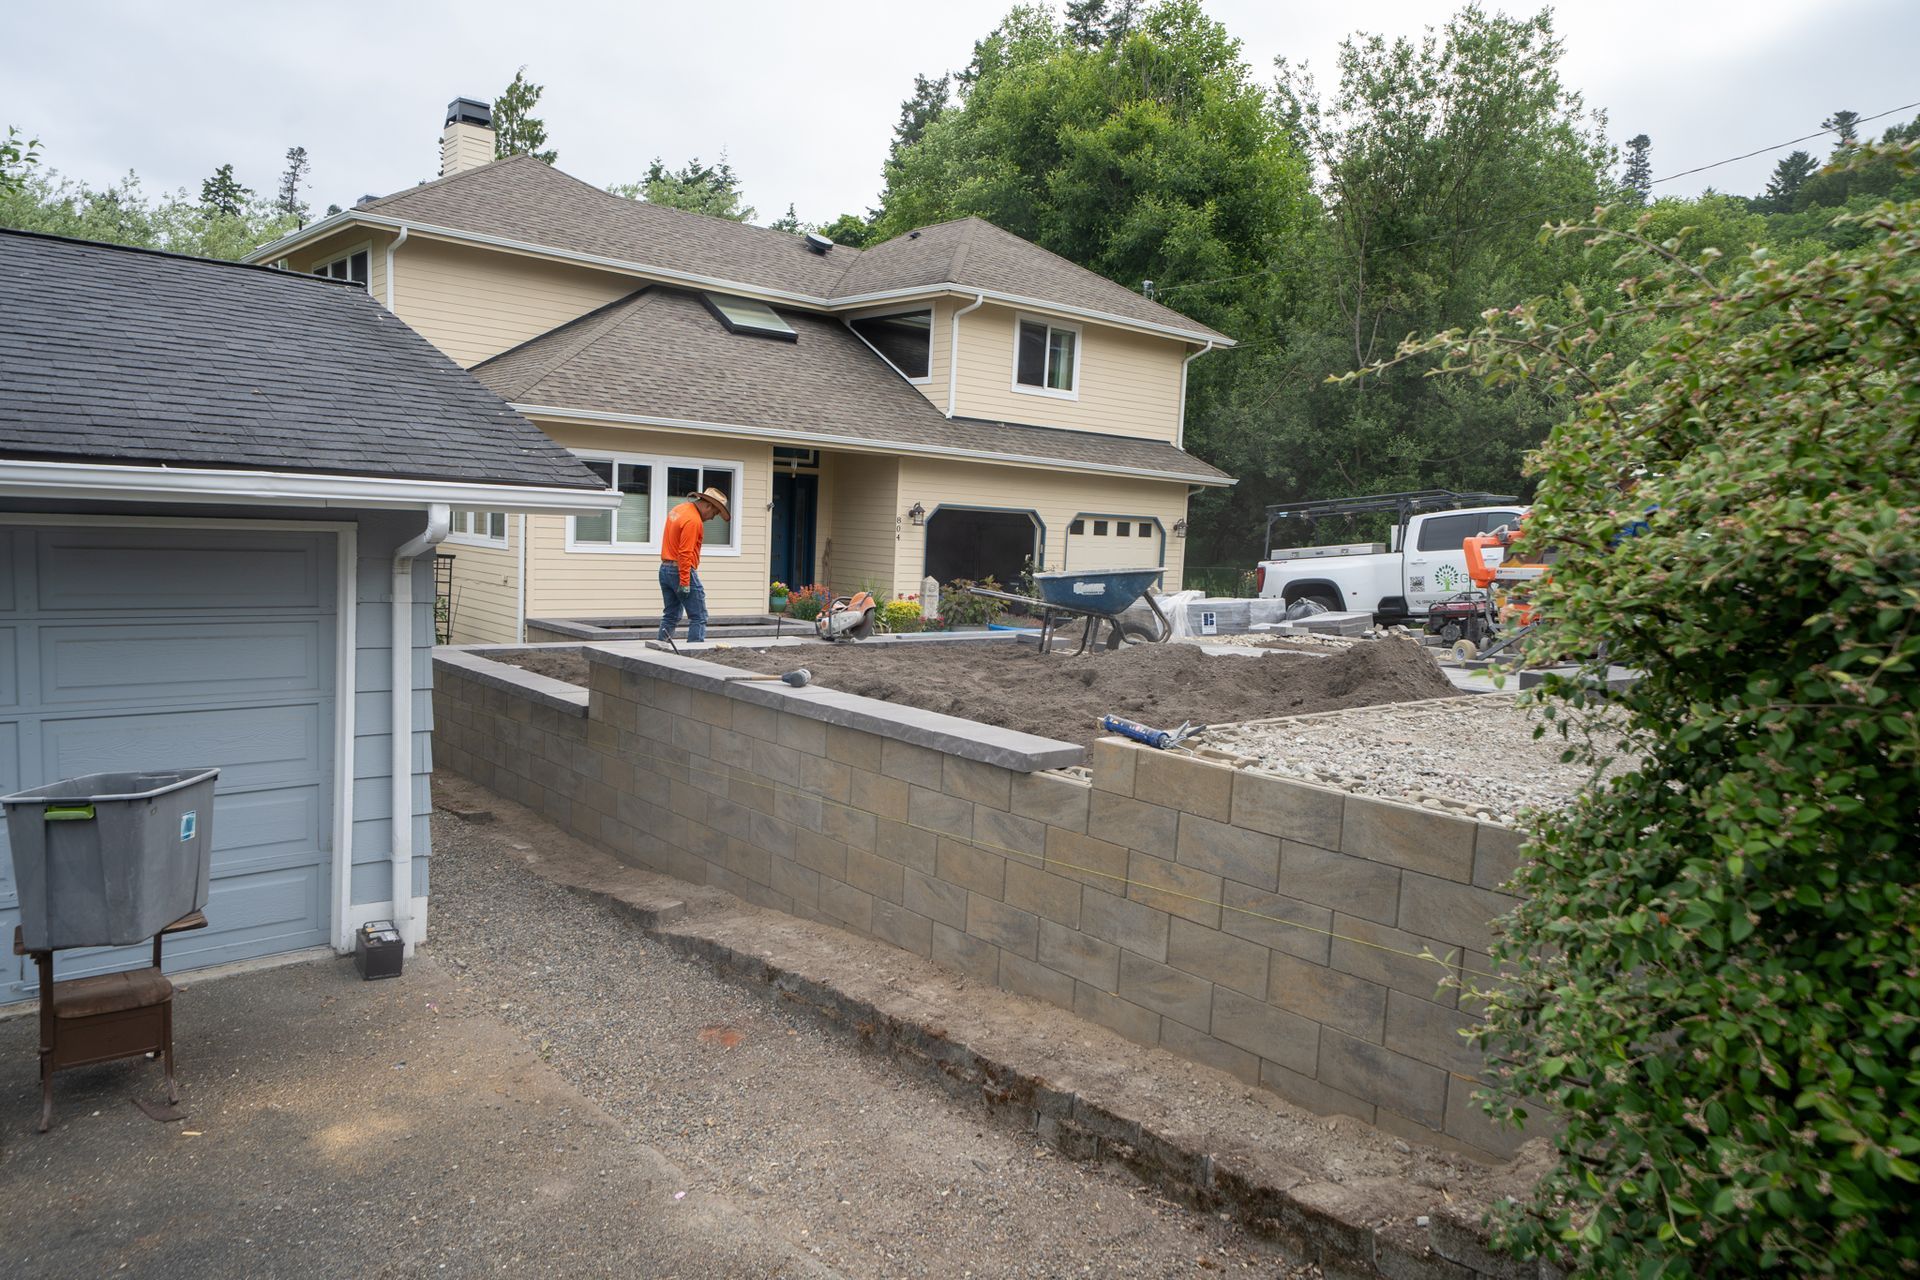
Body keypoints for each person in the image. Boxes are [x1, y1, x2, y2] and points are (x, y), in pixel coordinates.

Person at [658, 485, 729, 643]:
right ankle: (695, 657)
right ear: (708, 505)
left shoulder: (679, 509)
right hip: (680, 570)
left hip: (664, 569)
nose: (712, 518)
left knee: (671, 615)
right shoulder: (694, 521)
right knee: (699, 616)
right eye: (714, 513)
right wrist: (684, 582)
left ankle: (659, 651)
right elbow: (685, 553)